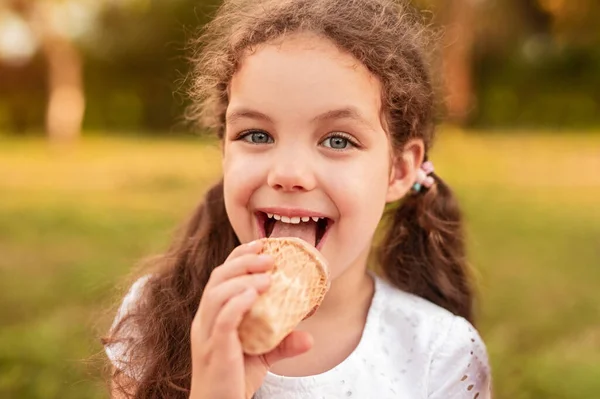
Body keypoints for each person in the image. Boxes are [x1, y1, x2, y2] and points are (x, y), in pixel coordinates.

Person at [102, 0, 492, 398]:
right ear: (224, 149)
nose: (287, 173)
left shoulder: (441, 354)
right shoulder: (156, 313)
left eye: (338, 140)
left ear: (399, 170)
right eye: (256, 135)